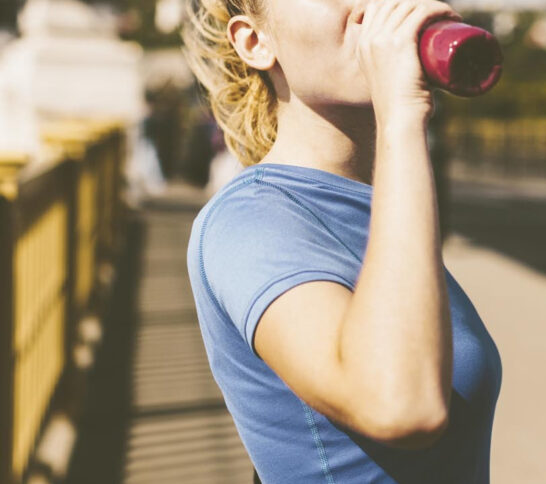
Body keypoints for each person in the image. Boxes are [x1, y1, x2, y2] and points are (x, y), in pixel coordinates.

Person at [181, 0, 503, 482]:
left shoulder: (385, 205)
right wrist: (402, 115)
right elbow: (399, 406)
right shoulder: (249, 221)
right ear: (255, 42)